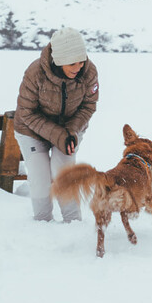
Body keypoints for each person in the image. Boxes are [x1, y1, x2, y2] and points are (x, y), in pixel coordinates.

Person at [13, 26, 99, 221]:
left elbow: (88, 106)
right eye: (72, 64)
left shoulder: (88, 72)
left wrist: (69, 132)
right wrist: (59, 135)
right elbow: (27, 112)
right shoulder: (35, 73)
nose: (78, 68)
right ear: (59, 60)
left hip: (70, 129)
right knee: (40, 178)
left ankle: (73, 221)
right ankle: (42, 221)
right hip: (31, 130)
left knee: (64, 173)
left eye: (81, 61)